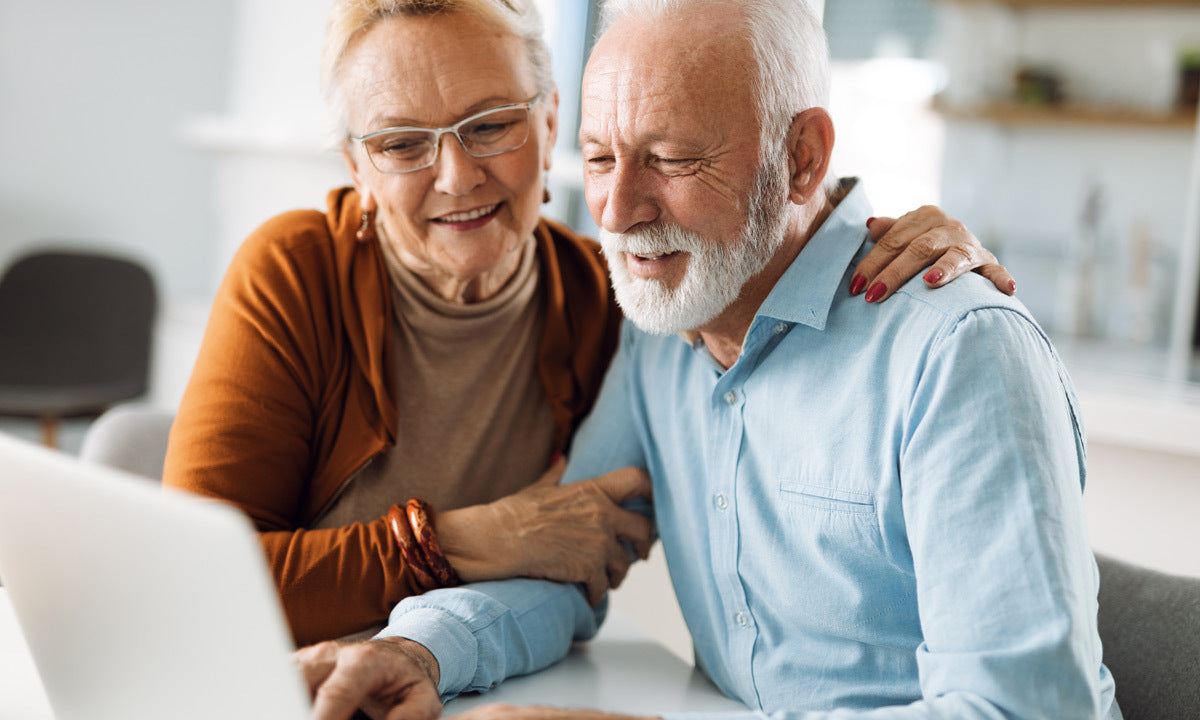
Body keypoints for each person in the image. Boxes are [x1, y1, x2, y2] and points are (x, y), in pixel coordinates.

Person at [293, 1, 1120, 719]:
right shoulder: (663, 332)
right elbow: (566, 567)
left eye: (673, 158)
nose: (616, 210)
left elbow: (1026, 711)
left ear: (801, 159)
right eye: (602, 155)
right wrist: (422, 652)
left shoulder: (957, 351)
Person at [164, 0, 1014, 647]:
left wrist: (909, 243)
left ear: (548, 122)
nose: (457, 176)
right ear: (355, 162)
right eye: (401, 143)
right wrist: (466, 540)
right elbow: (190, 583)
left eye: (490, 125)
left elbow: (749, 254)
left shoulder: (611, 295)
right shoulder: (295, 272)